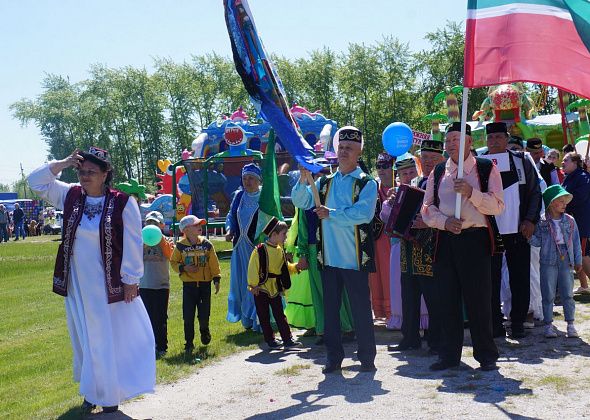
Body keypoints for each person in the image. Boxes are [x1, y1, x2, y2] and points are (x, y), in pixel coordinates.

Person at [27, 147, 155, 414]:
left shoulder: (122, 202)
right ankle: (92, 390)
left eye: (91, 172)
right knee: (85, 338)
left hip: (108, 284)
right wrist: (61, 163)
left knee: (107, 338)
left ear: (106, 174)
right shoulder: (70, 195)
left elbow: (133, 240)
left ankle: (109, 395)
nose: (85, 177)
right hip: (78, 283)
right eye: (82, 171)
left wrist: (131, 278)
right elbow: (35, 182)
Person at [292, 126, 378, 374]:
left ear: (359, 152)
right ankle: (333, 357)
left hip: (354, 259)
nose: (343, 152)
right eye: (341, 147)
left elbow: (364, 214)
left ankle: (367, 357)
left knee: (361, 310)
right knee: (330, 313)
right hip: (328, 258)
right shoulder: (324, 182)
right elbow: (301, 201)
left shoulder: (366, 183)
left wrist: (332, 214)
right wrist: (301, 178)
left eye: (349, 148)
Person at [422, 122, 505, 371]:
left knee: (478, 299)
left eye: (456, 139)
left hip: (475, 240)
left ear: (469, 142)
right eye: (448, 140)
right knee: (446, 298)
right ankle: (449, 355)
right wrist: (444, 222)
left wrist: (472, 193)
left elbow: (498, 206)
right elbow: (426, 209)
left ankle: (486, 355)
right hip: (446, 239)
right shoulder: (438, 172)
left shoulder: (485, 168)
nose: (450, 145)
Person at [484, 122, 542, 338]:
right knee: (490, 279)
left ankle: (517, 322)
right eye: (491, 138)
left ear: (507, 139)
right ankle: (495, 324)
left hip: (518, 229)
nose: (495, 141)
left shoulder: (522, 160)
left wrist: (530, 220)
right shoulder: (480, 162)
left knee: (520, 278)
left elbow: (535, 192)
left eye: (499, 137)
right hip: (489, 231)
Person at [388, 140, 446, 353]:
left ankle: (436, 340)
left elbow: (449, 213)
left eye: (434, 158)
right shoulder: (417, 182)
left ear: (442, 159)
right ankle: (410, 337)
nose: (429, 162)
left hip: (432, 249)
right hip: (409, 250)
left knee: (434, 297)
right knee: (409, 296)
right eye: (426, 158)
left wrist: (427, 222)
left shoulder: (445, 182)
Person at [531, 185, 582, 338]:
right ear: (551, 203)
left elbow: (576, 242)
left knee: (567, 293)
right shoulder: (542, 222)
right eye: (561, 201)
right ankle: (548, 325)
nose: (564, 204)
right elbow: (537, 241)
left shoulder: (570, 221)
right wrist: (527, 237)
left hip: (566, 260)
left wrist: (578, 261)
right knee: (548, 294)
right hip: (548, 260)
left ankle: (570, 324)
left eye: (565, 201)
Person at [385, 156, 428, 331]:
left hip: (422, 244)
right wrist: (390, 204)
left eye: (411, 172)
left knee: (423, 287)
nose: (408, 176)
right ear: (399, 175)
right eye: (404, 173)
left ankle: (425, 321)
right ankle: (405, 324)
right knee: (400, 286)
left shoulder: (425, 187)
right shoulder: (395, 192)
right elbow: (385, 219)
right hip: (399, 245)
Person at [248, 218, 302, 349]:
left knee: (279, 313)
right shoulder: (260, 250)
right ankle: (270, 340)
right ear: (274, 234)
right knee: (264, 315)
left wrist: (295, 267)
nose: (286, 237)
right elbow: (252, 268)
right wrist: (253, 285)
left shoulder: (279, 250)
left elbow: (284, 267)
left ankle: (287, 339)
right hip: (261, 288)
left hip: (275, 287)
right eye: (284, 234)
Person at [171, 215, 221, 355]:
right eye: (196, 225)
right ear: (186, 230)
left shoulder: (206, 244)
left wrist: (216, 278)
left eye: (201, 224)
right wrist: (184, 268)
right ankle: (189, 343)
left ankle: (204, 331)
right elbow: (173, 262)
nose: (200, 226)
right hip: (189, 286)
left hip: (205, 285)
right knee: (188, 316)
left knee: (204, 313)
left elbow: (214, 262)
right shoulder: (180, 246)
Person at [225, 163, 262, 331]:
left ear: (258, 180)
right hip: (240, 247)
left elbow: (271, 218)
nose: (247, 182)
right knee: (241, 283)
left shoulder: (264, 197)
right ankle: (246, 319)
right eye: (245, 178)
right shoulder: (239, 196)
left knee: (257, 280)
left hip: (256, 247)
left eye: (251, 178)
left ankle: (260, 318)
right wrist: (229, 229)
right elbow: (231, 215)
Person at [140, 210, 175, 359]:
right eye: (149, 223)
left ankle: (161, 346)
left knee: (160, 317)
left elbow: (171, 255)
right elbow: (133, 258)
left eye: (154, 223)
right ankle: (148, 347)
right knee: (145, 318)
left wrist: (159, 240)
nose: (151, 225)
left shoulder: (167, 240)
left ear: (161, 225)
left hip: (161, 285)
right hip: (144, 284)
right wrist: (144, 244)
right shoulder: (140, 241)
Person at [369, 152, 394, 321]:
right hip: (377, 239)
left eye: (385, 166)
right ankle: (383, 312)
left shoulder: (400, 187)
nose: (381, 170)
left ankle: (396, 311)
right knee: (378, 275)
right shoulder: (372, 189)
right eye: (378, 167)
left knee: (392, 274)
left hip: (394, 239)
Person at [561, 152, 590, 294]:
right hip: (572, 223)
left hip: (582, 223)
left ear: (575, 162)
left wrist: (562, 204)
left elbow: (579, 198)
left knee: (582, 255)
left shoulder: (583, 177)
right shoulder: (569, 177)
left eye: (566, 160)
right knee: (576, 255)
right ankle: (584, 286)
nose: (562, 162)